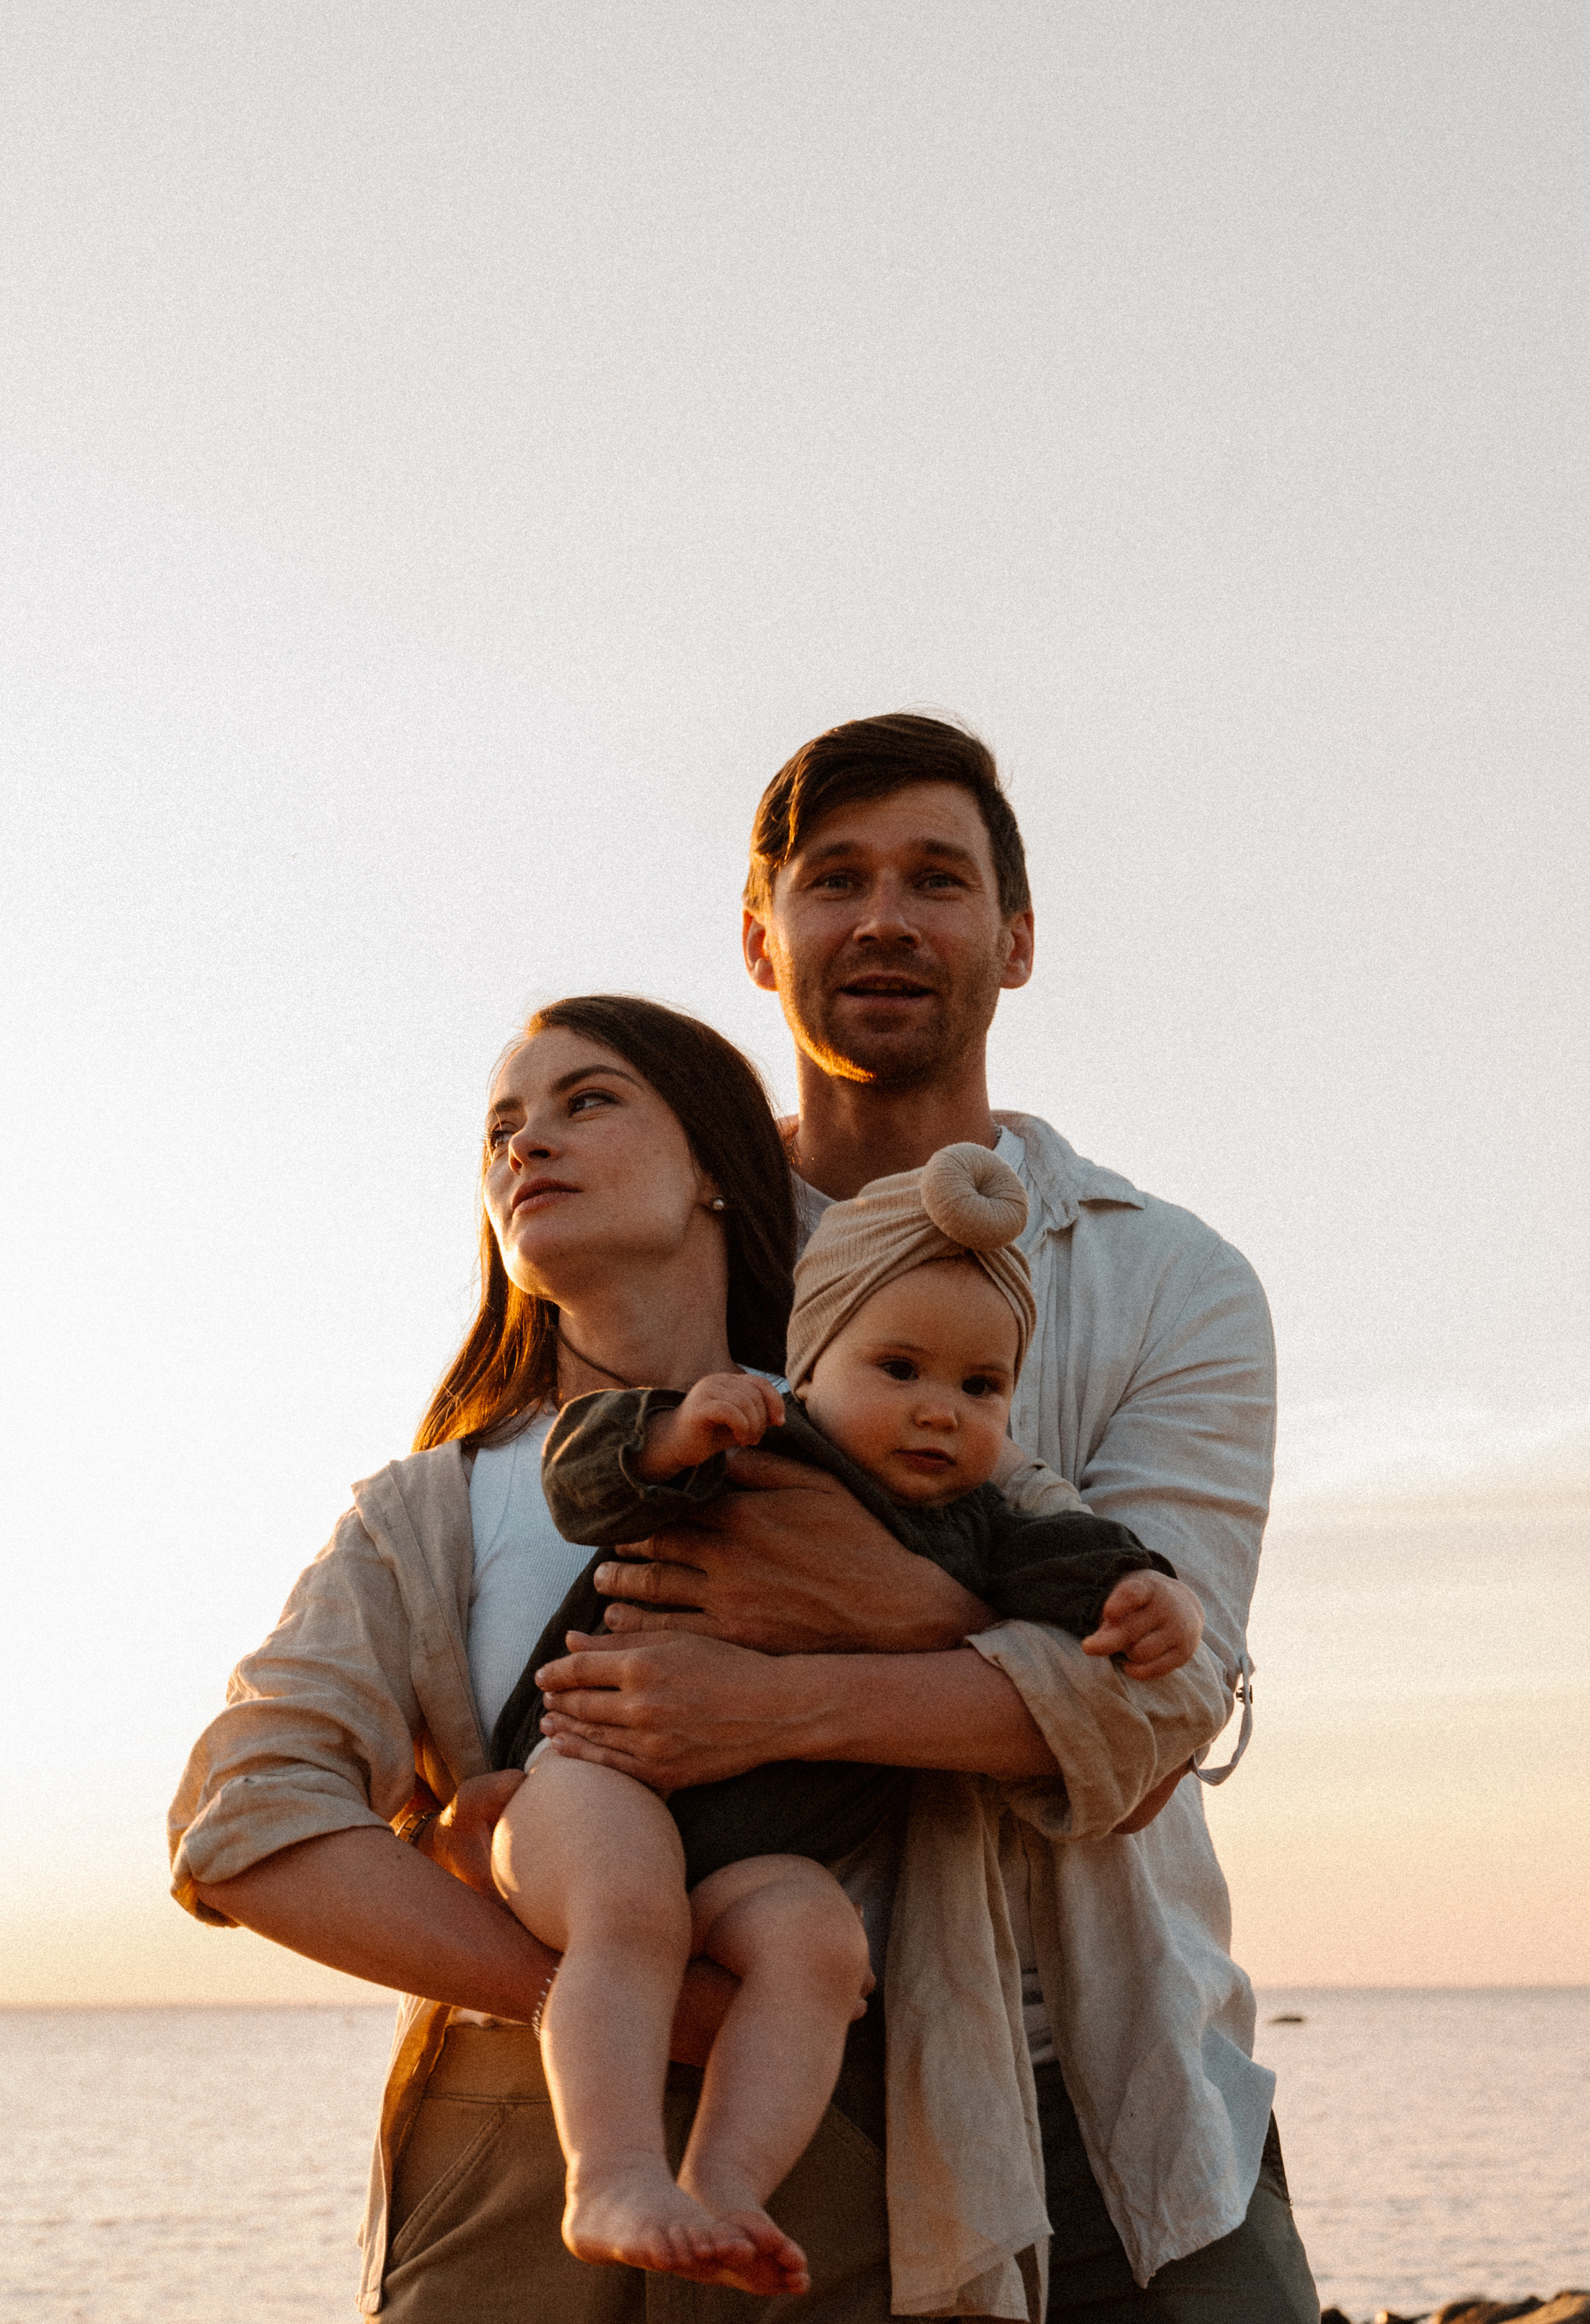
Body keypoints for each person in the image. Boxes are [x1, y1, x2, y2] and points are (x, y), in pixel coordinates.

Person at [169, 994, 1213, 2323]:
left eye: (587, 1101)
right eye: (501, 1126)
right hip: (512, 2141)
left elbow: (1145, 1730)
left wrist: (882, 1636)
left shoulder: (897, 1437)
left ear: (724, 1165)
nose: (527, 1144)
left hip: (827, 2132)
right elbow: (244, 1821)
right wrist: (632, 1997)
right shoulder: (428, 1512)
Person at [527, 715, 1324, 2324]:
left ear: (1013, 938)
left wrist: (794, 1673)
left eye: (936, 879)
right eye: (834, 880)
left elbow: (1163, 1695)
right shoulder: (653, 1242)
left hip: (1111, 2067)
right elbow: (513, 1592)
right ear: (760, 938)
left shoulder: (1169, 1278)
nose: (882, 917)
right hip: (752, 2071)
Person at [482, 1143, 1204, 2297]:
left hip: (755, 1860)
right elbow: (582, 1478)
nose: (940, 1413)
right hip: (592, 1777)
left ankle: (725, 2190)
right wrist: (678, 1431)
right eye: (901, 1367)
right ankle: (612, 2173)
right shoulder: (753, 1438)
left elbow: (1089, 1583)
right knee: (630, 1909)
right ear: (811, 1362)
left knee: (821, 1949)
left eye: (980, 1388)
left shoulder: (986, 1526)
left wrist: (1152, 1596)